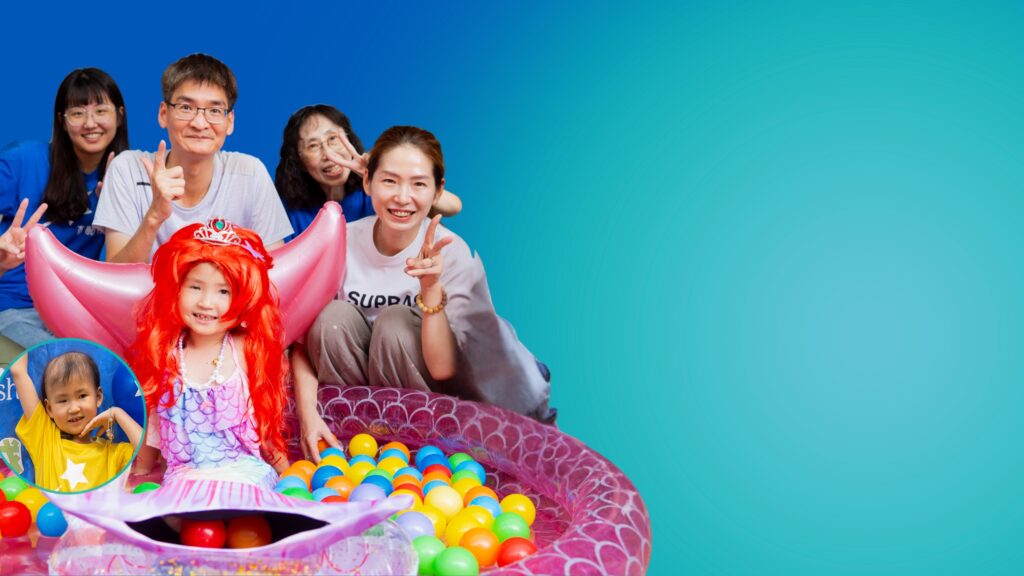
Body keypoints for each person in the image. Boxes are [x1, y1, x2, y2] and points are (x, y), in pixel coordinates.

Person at [293, 126, 550, 460]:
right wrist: (308, 416)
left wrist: (430, 289)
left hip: (426, 412)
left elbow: (445, 369)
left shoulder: (452, 252)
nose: (402, 197)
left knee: (395, 324)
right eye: (389, 181)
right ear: (367, 182)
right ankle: (348, 441)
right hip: (354, 409)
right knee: (332, 318)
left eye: (418, 184)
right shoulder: (339, 241)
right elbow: (299, 344)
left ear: (436, 191)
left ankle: (413, 450)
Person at [127, 219, 289, 488]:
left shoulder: (243, 349)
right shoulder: (167, 354)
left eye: (223, 291)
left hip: (244, 474)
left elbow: (264, 423)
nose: (206, 302)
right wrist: (140, 475)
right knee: (176, 519)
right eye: (195, 287)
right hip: (185, 479)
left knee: (245, 513)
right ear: (175, 289)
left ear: (245, 298)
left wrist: (291, 476)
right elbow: (154, 426)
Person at [94, 54, 291, 263]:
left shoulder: (250, 173)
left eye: (215, 110)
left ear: (230, 121)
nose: (199, 123)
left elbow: (275, 272)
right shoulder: (128, 169)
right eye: (186, 108)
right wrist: (154, 216)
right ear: (163, 114)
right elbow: (117, 275)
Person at [0, 67, 128, 347]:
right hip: (15, 307)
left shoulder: (128, 176)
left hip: (79, 312)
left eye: (101, 111)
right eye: (78, 112)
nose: (90, 123)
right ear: (62, 121)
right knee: (67, 366)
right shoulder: (24, 160)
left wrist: (120, 205)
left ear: (119, 115)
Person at [275, 105, 461, 242]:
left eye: (333, 139)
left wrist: (379, 171)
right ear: (298, 161)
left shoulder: (377, 188)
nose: (329, 155)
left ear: (349, 140)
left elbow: (453, 207)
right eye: (313, 146)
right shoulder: (288, 210)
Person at [10, 350, 142, 491]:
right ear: (49, 408)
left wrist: (116, 413)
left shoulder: (113, 453)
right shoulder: (45, 439)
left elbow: (147, 455)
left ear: (98, 397)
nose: (73, 408)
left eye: (82, 396)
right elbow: (18, 371)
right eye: (63, 400)